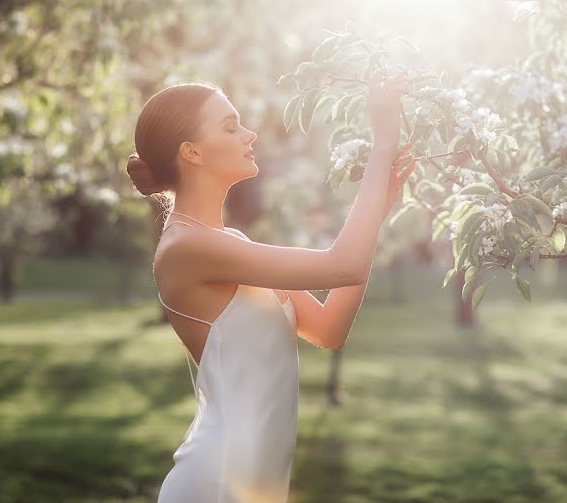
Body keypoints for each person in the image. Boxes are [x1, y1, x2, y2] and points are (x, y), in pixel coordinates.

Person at [126, 74, 416, 502]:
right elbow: (343, 266)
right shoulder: (187, 247)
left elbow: (328, 329)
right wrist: (382, 145)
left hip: (258, 483)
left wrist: (375, 211)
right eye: (230, 126)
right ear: (191, 152)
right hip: (218, 481)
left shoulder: (231, 245)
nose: (249, 134)